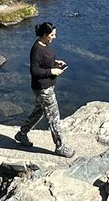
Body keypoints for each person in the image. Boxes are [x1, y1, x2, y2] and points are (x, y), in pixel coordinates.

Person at [15, 21, 74, 157]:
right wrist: (51, 72)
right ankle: (60, 147)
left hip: (47, 87)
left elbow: (44, 62)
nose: (54, 37)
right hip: (43, 89)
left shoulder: (45, 45)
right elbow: (34, 71)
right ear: (45, 35)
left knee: (39, 112)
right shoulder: (37, 49)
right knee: (54, 117)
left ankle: (22, 134)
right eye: (52, 35)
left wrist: (55, 63)